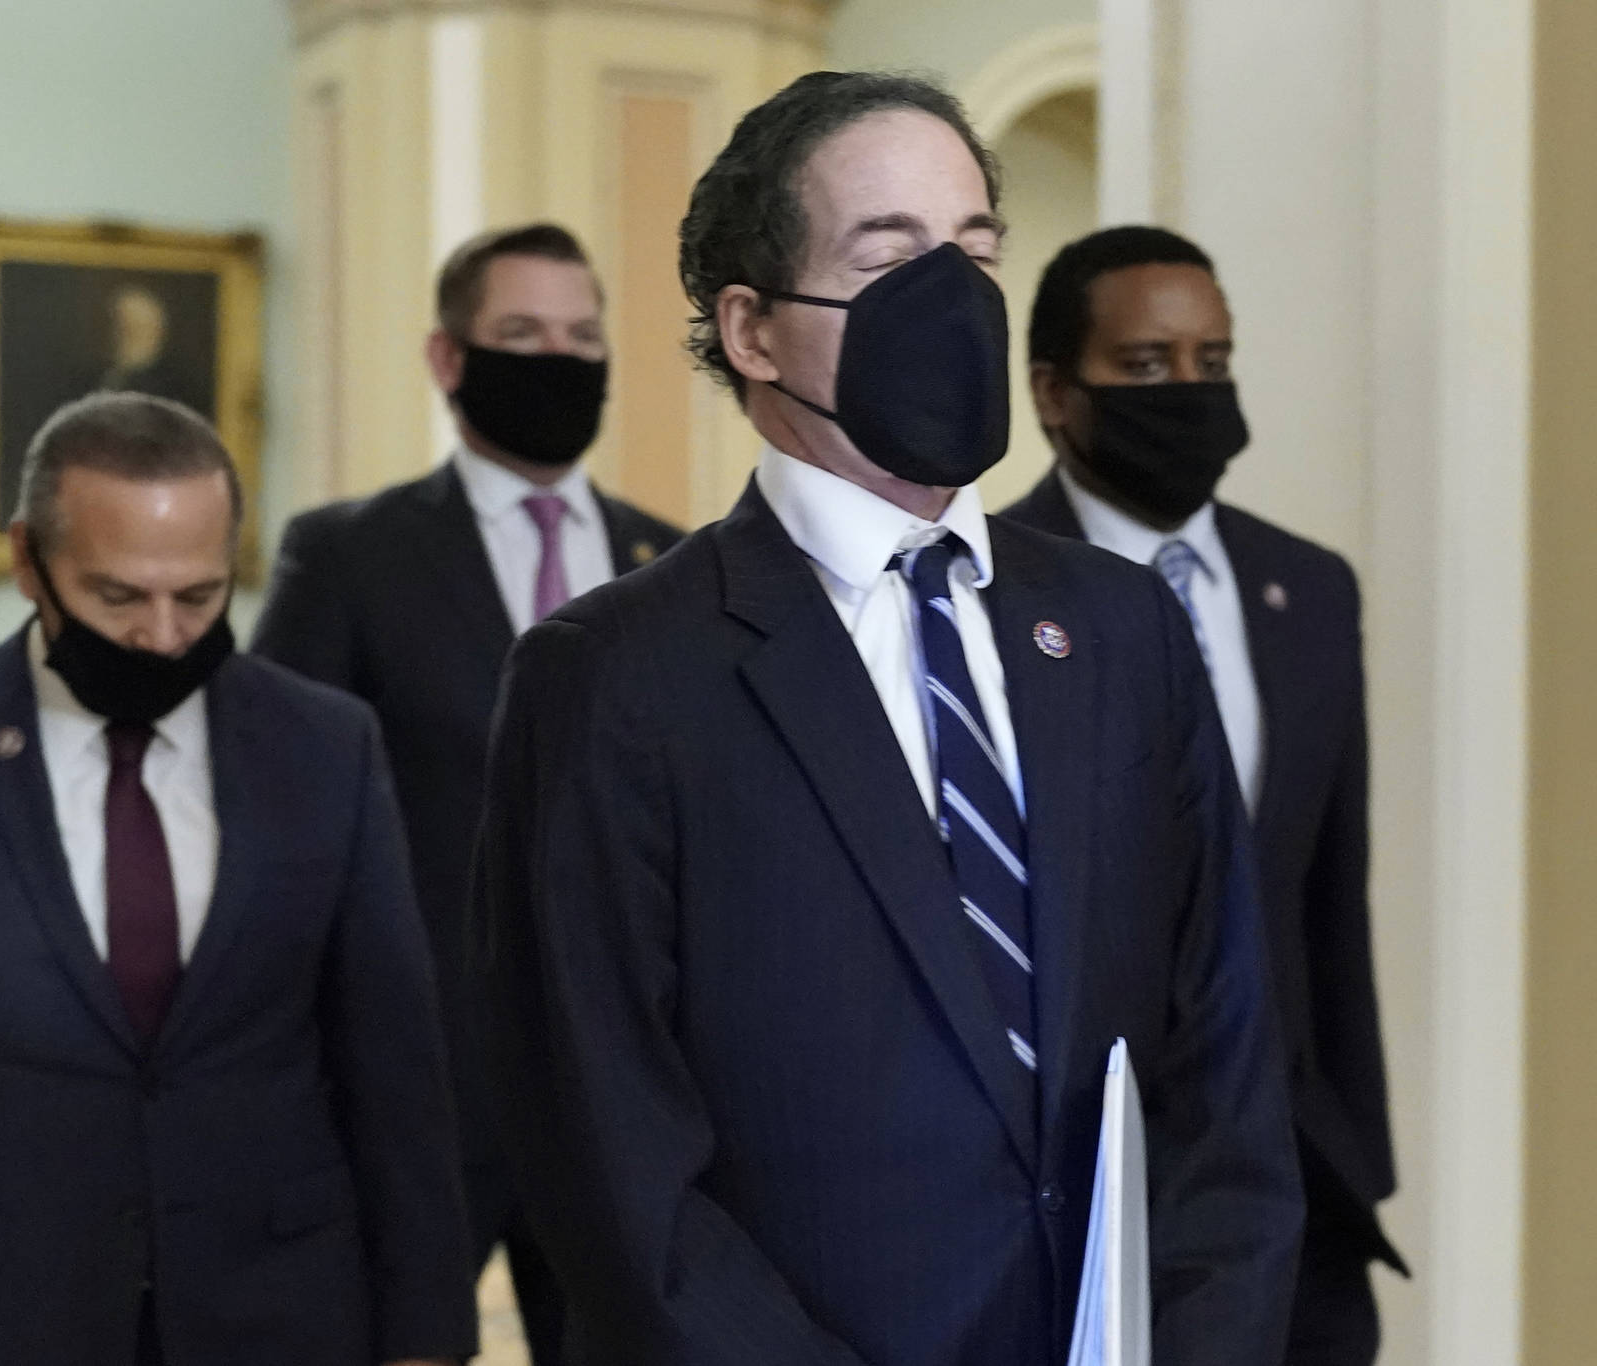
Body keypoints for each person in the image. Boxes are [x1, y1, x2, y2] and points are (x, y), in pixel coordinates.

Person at [472, 71, 1303, 1365]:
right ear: (751, 329)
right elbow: (612, 1165)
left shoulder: (1126, 629)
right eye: (891, 253)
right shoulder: (610, 676)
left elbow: (1229, 1069)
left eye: (975, 249)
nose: (951, 295)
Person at [0, 393, 475, 1366]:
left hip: (279, 1314)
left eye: (199, 596)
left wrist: (424, 1331)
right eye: (119, 596)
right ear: (28, 559)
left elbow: (396, 1068)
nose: (163, 635)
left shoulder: (326, 745)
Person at [251, 220, 682, 1365]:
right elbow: (282, 825)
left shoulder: (673, 562)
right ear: (448, 359)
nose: (558, 359)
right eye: (520, 333)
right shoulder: (347, 556)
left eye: (582, 336)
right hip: (416, 1088)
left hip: (625, 1092)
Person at [1002, 224, 1405, 1365]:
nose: (1186, 390)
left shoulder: (1309, 588)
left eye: (1210, 362)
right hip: (1073, 1173)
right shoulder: (984, 585)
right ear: (1051, 392)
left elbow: (1331, 892)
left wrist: (1355, 1154)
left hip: (1292, 1175)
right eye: (1142, 366)